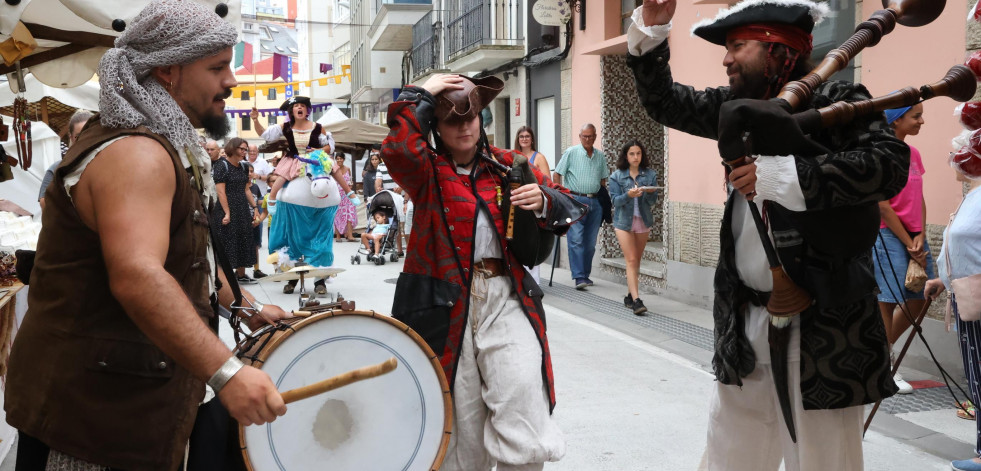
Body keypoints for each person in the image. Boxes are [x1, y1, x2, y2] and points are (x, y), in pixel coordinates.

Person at [4, 2, 290, 470]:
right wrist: (227, 373)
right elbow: (138, 275)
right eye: (217, 67)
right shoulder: (136, 153)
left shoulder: (162, 144)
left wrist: (247, 306)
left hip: (123, 404)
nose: (231, 81)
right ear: (169, 71)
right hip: (92, 421)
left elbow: (189, 257)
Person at [628, 1, 909, 469]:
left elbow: (887, 166)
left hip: (825, 328)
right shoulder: (736, 109)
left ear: (779, 51)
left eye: (738, 46)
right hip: (745, 322)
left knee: (823, 460)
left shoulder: (840, 98)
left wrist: (785, 176)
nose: (726, 59)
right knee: (730, 454)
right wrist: (653, 32)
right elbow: (664, 102)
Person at [382, 73, 581, 471]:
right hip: (446, 308)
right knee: (460, 429)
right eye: (453, 119)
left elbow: (573, 204)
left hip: (505, 297)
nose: (465, 126)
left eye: (472, 116)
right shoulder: (426, 173)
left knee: (523, 403)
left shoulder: (510, 165)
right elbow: (399, 149)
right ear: (437, 126)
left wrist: (542, 200)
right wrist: (422, 93)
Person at [873, 103, 934, 394]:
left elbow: (919, 198)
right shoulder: (880, 153)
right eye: (916, 116)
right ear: (896, 121)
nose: (922, 121)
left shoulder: (914, 154)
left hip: (915, 237)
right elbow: (882, 206)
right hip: (888, 235)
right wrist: (909, 243)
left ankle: (881, 354)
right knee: (887, 300)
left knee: (923, 294)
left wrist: (920, 233)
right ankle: (884, 367)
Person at [924, 161, 981, 471]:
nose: (953, 160)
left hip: (975, 296)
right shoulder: (972, 195)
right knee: (977, 374)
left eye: (960, 153)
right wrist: (943, 280)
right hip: (966, 294)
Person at [250, 96, 335, 208]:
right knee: (282, 176)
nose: (299, 107)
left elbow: (329, 146)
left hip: (314, 158)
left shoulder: (318, 127)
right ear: (292, 111)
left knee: (335, 169)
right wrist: (255, 120)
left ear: (307, 110)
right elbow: (265, 134)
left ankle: (348, 193)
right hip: (293, 159)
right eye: (296, 106)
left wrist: (318, 150)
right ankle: (272, 198)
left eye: (303, 106)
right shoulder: (285, 127)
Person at [553, 123, 609, 290]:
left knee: (590, 242)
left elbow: (603, 179)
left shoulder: (600, 156)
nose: (587, 139)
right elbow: (557, 174)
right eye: (584, 136)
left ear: (595, 137)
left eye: (591, 136)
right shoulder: (571, 152)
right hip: (575, 199)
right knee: (576, 239)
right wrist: (562, 196)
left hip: (595, 201)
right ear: (580, 137)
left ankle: (585, 274)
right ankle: (578, 277)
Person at [607, 139, 659, 315]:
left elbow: (653, 201)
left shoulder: (650, 174)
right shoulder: (617, 176)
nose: (636, 157)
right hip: (623, 222)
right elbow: (615, 201)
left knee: (637, 259)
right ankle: (637, 300)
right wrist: (628, 195)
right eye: (632, 154)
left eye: (638, 153)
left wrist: (651, 193)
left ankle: (629, 295)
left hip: (643, 220)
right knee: (630, 259)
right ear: (626, 156)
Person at [214, 138, 261, 284]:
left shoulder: (244, 166)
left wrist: (254, 208)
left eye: (245, 149)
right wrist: (227, 212)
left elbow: (246, 189)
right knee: (227, 241)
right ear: (233, 148)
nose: (244, 152)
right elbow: (221, 192)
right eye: (242, 148)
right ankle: (223, 276)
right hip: (226, 207)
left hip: (241, 208)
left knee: (244, 239)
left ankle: (241, 275)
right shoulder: (221, 165)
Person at [514, 125, 549, 283]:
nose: (524, 139)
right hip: (518, 205)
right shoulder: (513, 156)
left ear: (532, 139)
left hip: (534, 205)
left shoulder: (539, 158)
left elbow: (546, 181)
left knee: (532, 239)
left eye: (527, 136)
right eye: (521, 137)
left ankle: (534, 280)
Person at [39, 109, 93, 211]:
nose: (84, 139)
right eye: (78, 136)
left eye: (88, 133)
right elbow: (44, 203)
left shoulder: (107, 164)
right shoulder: (56, 169)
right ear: (71, 137)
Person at [247, 165, 269, 279]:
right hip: (243, 219)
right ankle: (239, 270)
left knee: (255, 245)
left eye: (251, 171)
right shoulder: (239, 187)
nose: (249, 173)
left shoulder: (255, 187)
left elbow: (259, 200)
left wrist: (268, 199)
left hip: (254, 219)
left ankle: (256, 269)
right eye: (247, 171)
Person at [333, 152, 358, 242]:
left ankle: (350, 235)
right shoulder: (334, 169)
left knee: (350, 213)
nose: (339, 160)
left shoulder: (348, 169)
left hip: (347, 195)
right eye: (338, 158)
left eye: (341, 158)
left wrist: (351, 185)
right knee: (337, 215)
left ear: (344, 159)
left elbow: (350, 180)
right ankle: (338, 236)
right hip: (337, 195)